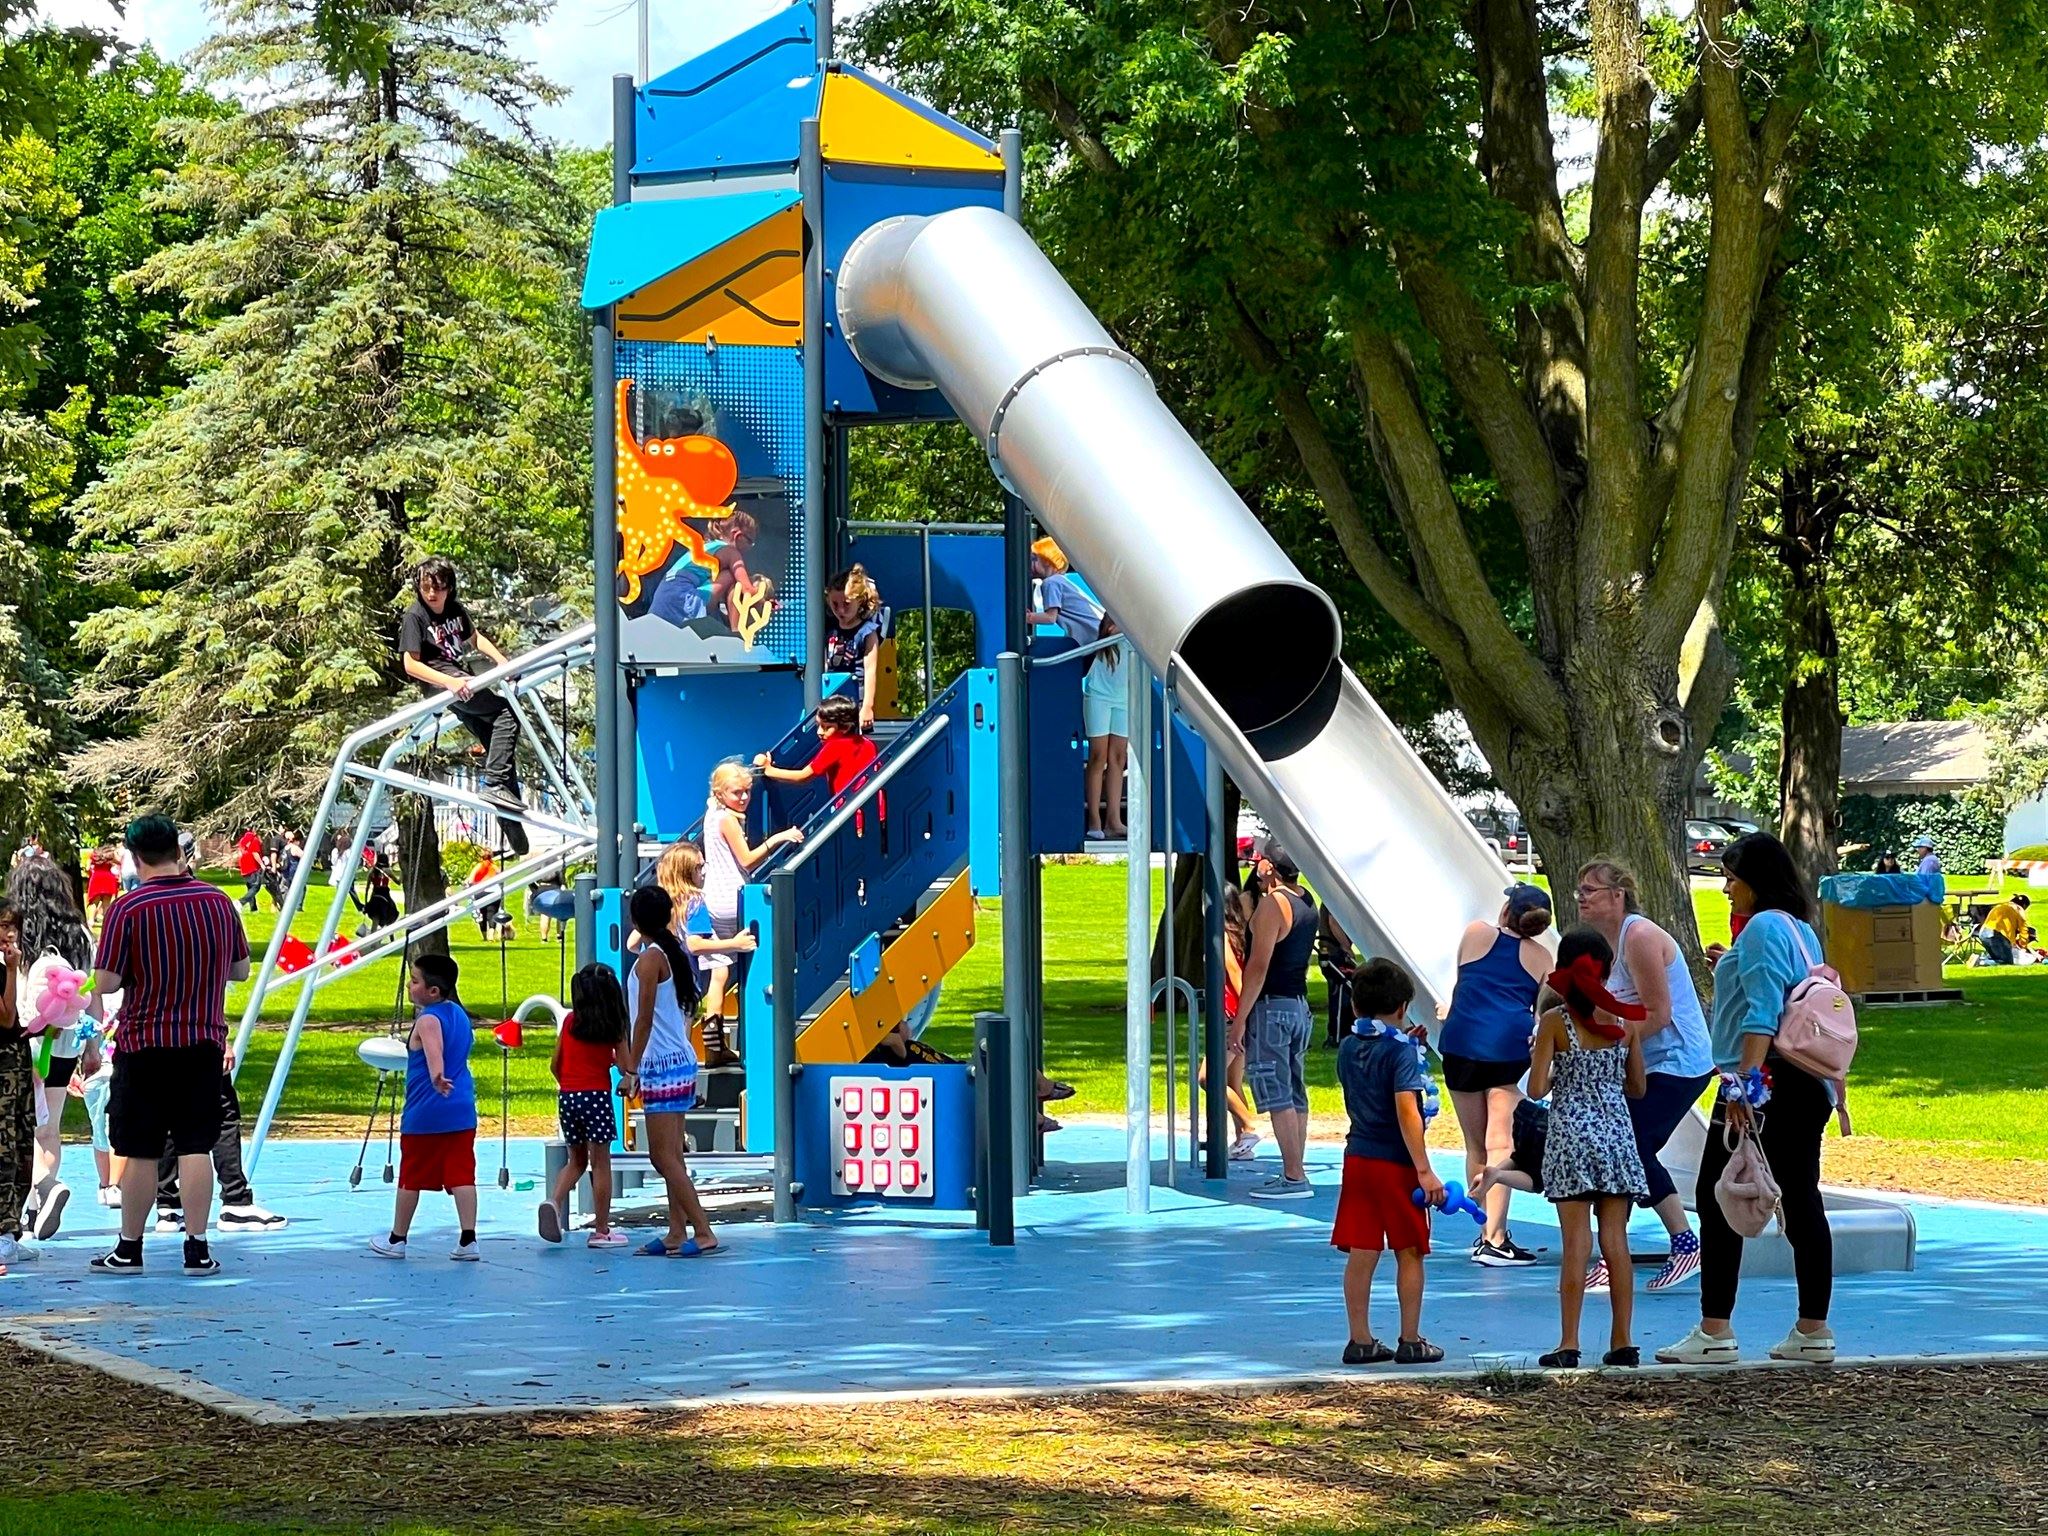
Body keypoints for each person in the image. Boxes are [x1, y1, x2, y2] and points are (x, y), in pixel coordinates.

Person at [1659, 832, 1838, 1366]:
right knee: (1802, 1197)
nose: (1726, 890)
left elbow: (1760, 1014)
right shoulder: (1800, 929)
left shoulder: (1761, 928)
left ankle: (1716, 1329)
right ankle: (1814, 1327)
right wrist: (1730, 964)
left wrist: (1742, 1085)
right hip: (1808, 1081)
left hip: (1761, 1083)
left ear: (1755, 882)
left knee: (1721, 1196)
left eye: (1731, 880)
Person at [90, 814, 250, 1276]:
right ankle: (197, 1248)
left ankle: (129, 1248)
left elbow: (107, 979)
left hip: (145, 1042)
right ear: (180, 852)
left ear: (136, 857)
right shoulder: (218, 902)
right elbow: (239, 970)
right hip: (202, 1040)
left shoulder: (128, 909)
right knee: (195, 1145)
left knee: (139, 1148)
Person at [1574, 858, 1715, 1294]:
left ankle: (1685, 1243)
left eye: (1591, 889)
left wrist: (1604, 1041)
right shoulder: (1605, 943)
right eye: (1580, 888)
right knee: (1617, 1149)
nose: (1581, 896)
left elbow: (1658, 1014)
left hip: (1678, 1061)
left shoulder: (1639, 936)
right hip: (1643, 1064)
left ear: (1618, 896)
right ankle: (1612, 1253)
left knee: (1630, 1147)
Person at [152, 832, 287, 1235]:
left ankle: (167, 1202)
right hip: (198, 1030)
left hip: (153, 1033)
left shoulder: (136, 906)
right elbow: (235, 971)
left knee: (166, 1116)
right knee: (218, 1114)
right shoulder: (212, 904)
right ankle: (233, 1200)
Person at [1527, 929, 1649, 1369]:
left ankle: (1569, 1341)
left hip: (1570, 1138)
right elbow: (1637, 1087)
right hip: (1616, 1133)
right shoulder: (1625, 1023)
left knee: (1575, 1242)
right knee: (1616, 1240)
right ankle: (1622, 1340)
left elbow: (1537, 1087)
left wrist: (1562, 1073)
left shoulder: (1555, 1023)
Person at [1331, 957, 1447, 1366]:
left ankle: (1359, 1339)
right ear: (1400, 1008)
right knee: (1410, 1248)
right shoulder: (1399, 1055)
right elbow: (1406, 1110)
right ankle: (1411, 1339)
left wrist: (1402, 1043)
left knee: (1363, 1249)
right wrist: (1424, 1169)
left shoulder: (1348, 1046)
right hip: (1396, 1164)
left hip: (1359, 1157)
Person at [1438, 883, 1553, 1266]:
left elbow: (1462, 982)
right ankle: (1496, 1237)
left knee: (1475, 1143)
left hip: (1461, 1040)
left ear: (1507, 910)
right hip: (1506, 1047)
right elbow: (1540, 1013)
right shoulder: (1542, 958)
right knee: (1500, 1143)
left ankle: (1484, 1227)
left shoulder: (1475, 932)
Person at [399, 556, 530, 856]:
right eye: (426, 587)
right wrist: (448, 683)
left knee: (498, 741)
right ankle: (495, 783)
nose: (432, 594)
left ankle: (508, 814)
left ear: (449, 588)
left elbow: (474, 638)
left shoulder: (456, 611)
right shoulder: (415, 616)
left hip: (460, 681)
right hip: (444, 683)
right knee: (506, 714)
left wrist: (502, 661)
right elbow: (410, 665)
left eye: (438, 588)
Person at [620, 886, 721, 1258]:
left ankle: (703, 1229)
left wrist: (630, 1066)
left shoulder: (649, 960)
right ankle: (677, 1230)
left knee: (662, 1156)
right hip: (677, 1059)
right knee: (672, 1154)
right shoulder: (670, 951)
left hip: (659, 1063)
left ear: (636, 920)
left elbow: (643, 1018)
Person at [9, 853, 97, 1241]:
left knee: (16, 1126)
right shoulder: (78, 932)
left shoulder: (12, 930)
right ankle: (42, 1193)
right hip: (63, 1042)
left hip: (20, 1038)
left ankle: (35, 1197)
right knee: (49, 1127)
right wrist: (94, 1045)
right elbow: (91, 989)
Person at [371, 953, 479, 1260]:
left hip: (426, 1112)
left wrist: (436, 1077)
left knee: (411, 1176)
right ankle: (469, 1239)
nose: (409, 984)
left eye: (415, 981)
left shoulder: (428, 1019)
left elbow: (435, 1051)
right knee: (462, 1175)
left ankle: (397, 1238)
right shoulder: (458, 1014)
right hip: (461, 1108)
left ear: (432, 991)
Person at [1235, 837, 1320, 1199]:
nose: (1256, 863)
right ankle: (1295, 1169)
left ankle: (1293, 1175)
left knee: (1277, 1091)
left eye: (1260, 859)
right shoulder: (1306, 901)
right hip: (1299, 1005)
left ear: (1270, 867)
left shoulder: (1274, 905)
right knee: (1295, 1089)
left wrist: (1239, 1020)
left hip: (1273, 1006)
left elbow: (1257, 968)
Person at [541, 964, 633, 1248]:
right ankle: (602, 1229)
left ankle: (554, 1202)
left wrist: (567, 1083)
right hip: (597, 1096)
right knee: (601, 1162)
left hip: (569, 1096)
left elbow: (555, 1063)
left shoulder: (571, 1022)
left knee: (576, 1160)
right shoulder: (613, 1026)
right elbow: (627, 1065)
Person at [702, 763, 803, 1021]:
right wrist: (778, 838)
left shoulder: (712, 815)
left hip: (712, 898)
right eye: (737, 792)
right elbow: (747, 860)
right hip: (732, 897)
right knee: (759, 954)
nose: (745, 797)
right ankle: (759, 1016)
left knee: (720, 970)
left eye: (747, 791)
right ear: (720, 793)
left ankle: (713, 1033)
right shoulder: (728, 820)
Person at [754, 694, 883, 830]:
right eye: (818, 726)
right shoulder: (869, 744)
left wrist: (768, 770)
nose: (820, 732)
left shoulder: (835, 746)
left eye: (827, 727)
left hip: (851, 816)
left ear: (845, 727)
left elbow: (803, 776)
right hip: (875, 813)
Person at [1199, 885, 1260, 1160]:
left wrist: (1243, 1016)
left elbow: (1235, 974)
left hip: (1230, 1016)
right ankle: (1241, 1143)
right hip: (1237, 1015)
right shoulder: (1241, 935)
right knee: (1233, 1082)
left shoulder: (1221, 936)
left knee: (1207, 1077)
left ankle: (1248, 1126)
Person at [0, 900, 35, 1269]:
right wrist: (11, 971)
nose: (10, 933)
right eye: (3, 926)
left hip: (17, 1063)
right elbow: (7, 1014)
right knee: (6, 1148)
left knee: (24, 1142)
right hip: (4, 1069)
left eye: (14, 926)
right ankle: (3, 1231)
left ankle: (12, 1229)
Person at [1079, 614, 1128, 841]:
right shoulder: (1115, 619)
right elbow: (1111, 630)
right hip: (1099, 695)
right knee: (1098, 757)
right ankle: (1094, 818)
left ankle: (1114, 820)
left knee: (1118, 758)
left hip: (1125, 698)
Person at [823, 565, 886, 734]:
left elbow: (870, 671)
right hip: (831, 696)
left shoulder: (867, 632)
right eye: (835, 604)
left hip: (854, 699)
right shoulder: (829, 628)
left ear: (860, 601)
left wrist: (867, 706)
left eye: (847, 604)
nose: (840, 610)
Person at [1025, 537, 1104, 647]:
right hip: (1099, 631)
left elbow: (1050, 618)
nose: (1029, 563)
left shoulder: (1051, 583)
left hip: (1095, 636)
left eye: (1034, 559)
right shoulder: (1061, 580)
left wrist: (1027, 617)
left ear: (1047, 560)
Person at [1317, 905, 1359, 1049]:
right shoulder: (1332, 898)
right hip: (1335, 952)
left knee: (1341, 992)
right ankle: (1338, 1034)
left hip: (1330, 951)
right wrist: (1346, 947)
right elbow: (1333, 921)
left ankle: (1339, 1032)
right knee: (1341, 993)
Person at [1978, 892, 2032, 967]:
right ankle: (1981, 962)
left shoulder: (2001, 906)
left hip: (1983, 933)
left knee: (1997, 957)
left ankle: (1982, 959)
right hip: (1996, 935)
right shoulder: (2019, 910)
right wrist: (2023, 946)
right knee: (2007, 961)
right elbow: (2024, 931)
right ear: (2024, 905)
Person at [84, 845, 121, 932]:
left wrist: (90, 873)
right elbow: (119, 862)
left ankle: (90, 922)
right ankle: (106, 924)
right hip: (108, 878)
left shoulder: (93, 855)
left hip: (96, 878)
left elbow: (87, 867)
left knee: (94, 902)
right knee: (106, 903)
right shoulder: (110, 855)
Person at [234, 828, 265, 911]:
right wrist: (262, 864)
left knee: (250, 887)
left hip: (244, 867)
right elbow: (255, 853)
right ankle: (240, 902)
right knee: (255, 887)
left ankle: (253, 908)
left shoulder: (243, 840)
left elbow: (240, 852)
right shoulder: (254, 840)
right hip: (252, 866)